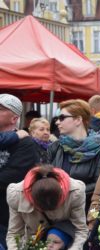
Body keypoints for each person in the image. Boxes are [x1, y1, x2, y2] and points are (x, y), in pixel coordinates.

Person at [47, 99, 100, 212]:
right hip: (55, 210)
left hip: (85, 211)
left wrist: (68, 190)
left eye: (62, 118)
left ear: (78, 120)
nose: (57, 122)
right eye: (57, 119)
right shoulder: (55, 147)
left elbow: (99, 184)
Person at [6, 165, 88, 249]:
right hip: (33, 242)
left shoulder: (75, 193)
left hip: (64, 243)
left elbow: (80, 230)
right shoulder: (16, 195)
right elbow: (14, 234)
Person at [0, 94, 40, 248]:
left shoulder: (25, 143)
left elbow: (9, 178)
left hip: (7, 219)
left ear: (14, 118)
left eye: (0, 109)